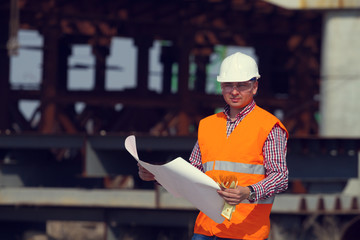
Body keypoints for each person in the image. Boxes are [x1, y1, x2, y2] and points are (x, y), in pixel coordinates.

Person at [138, 52, 289, 240]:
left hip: (245, 231)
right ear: (221, 87)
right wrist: (158, 175)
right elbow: (192, 173)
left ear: (255, 86)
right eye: (228, 85)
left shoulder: (269, 126)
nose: (234, 91)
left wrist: (249, 192)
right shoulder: (208, 125)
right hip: (206, 229)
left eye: (241, 85)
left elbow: (280, 177)